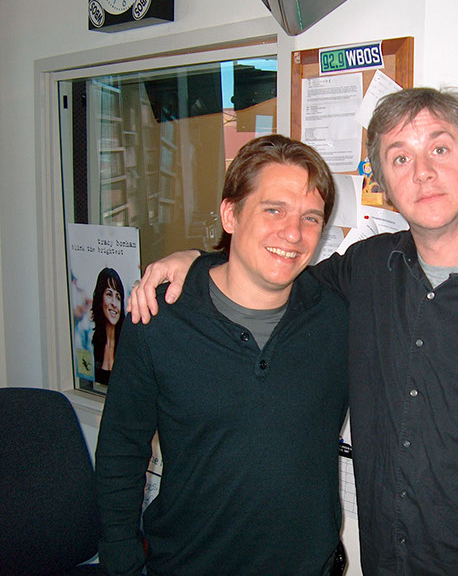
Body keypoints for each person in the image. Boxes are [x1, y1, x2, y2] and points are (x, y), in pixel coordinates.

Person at [129, 88, 458, 575]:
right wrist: (198, 261)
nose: (422, 172)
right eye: (400, 158)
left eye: (439, 148)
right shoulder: (368, 267)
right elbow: (274, 274)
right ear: (383, 184)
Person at [95, 135, 349, 575]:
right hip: (188, 564)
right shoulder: (157, 319)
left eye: (310, 218)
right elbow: (121, 454)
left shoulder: (337, 319)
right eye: (274, 210)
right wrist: (121, 562)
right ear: (230, 214)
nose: (293, 233)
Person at [91, 267, 125, 385]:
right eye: (109, 294)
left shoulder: (127, 345)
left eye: (118, 297)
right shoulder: (92, 343)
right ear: (100, 299)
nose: (114, 304)